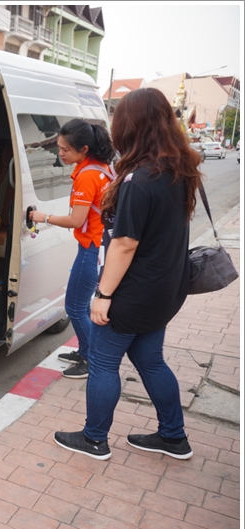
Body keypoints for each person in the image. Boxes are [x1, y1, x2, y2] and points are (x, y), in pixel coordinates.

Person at [53, 87, 202, 461]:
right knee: (151, 361)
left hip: (134, 292)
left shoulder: (140, 178)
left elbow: (124, 245)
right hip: (166, 288)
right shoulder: (178, 170)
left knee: (103, 362)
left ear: (130, 126)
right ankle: (173, 436)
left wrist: (103, 296)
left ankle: (94, 439)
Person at [29, 119, 115, 379]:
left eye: (65, 150)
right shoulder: (101, 167)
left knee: (76, 307)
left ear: (84, 149)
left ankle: (91, 360)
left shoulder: (88, 176)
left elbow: (76, 220)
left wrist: (43, 217)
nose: (60, 154)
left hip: (92, 248)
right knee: (80, 305)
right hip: (98, 244)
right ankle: (86, 350)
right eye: (59, 148)